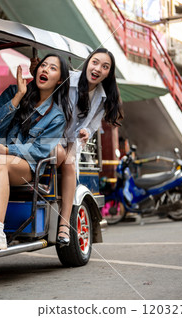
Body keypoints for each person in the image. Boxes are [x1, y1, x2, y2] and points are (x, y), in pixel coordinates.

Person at [0, 53, 70, 250]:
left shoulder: (57, 116)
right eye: (43, 65)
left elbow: (40, 150)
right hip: (2, 156)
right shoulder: (14, 91)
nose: (45, 69)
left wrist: (8, 150)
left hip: (28, 167)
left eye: (52, 68)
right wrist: (18, 97)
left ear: (59, 80)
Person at [55, 48, 124, 246]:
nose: (98, 69)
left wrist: (85, 133)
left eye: (105, 67)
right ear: (87, 62)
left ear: (108, 73)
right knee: (64, 161)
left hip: (72, 143)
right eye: (95, 62)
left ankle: (64, 225)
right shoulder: (69, 79)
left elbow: (91, 127)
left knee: (69, 164)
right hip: (50, 135)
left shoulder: (103, 98)